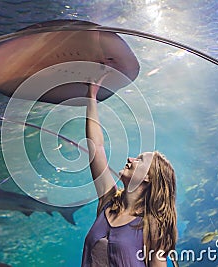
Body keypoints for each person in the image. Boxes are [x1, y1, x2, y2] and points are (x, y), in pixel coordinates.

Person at [82, 74, 178, 267]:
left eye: (139, 160)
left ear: (149, 178)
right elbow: (96, 148)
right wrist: (91, 97)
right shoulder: (107, 202)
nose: (130, 159)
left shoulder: (152, 227)